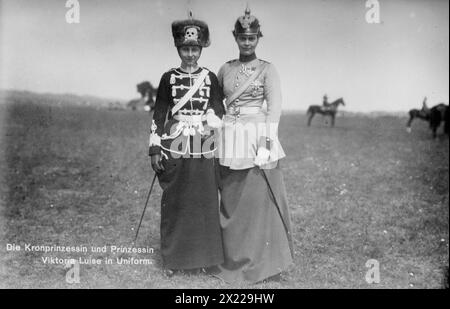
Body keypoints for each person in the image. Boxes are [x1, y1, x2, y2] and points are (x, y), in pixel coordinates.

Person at [214, 7, 294, 283]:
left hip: (256, 136)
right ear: (235, 38)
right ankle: (231, 258)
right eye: (241, 38)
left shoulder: (268, 70)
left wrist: (265, 143)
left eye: (251, 38)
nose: (246, 43)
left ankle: (262, 264)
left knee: (257, 203)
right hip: (229, 137)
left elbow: (275, 109)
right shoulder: (224, 69)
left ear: (258, 38)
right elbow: (215, 104)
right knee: (232, 200)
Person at [148, 13, 225, 274]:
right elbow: (159, 114)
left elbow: (218, 110)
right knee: (176, 197)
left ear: (201, 49)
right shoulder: (168, 78)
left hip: (204, 141)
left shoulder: (210, 78)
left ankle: (205, 259)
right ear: (178, 48)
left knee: (204, 198)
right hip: (175, 140)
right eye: (185, 48)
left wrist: (211, 121)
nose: (190, 54)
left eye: (195, 49)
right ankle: (174, 259)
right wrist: (155, 148)